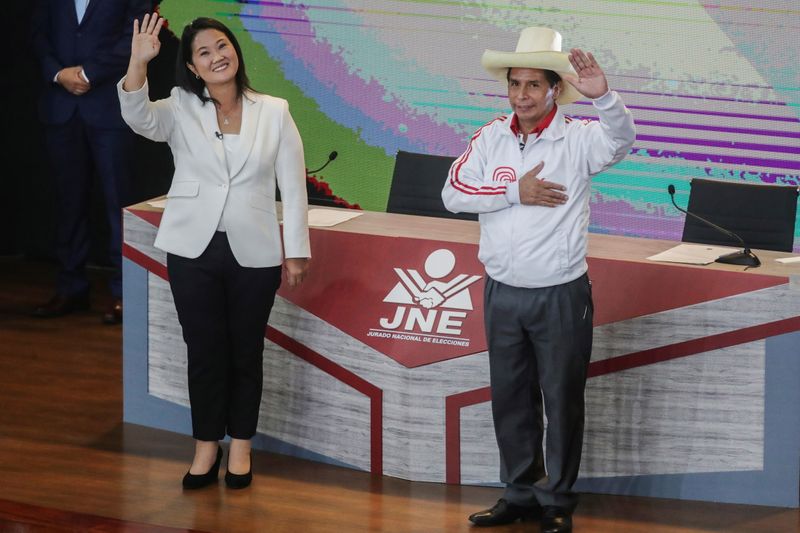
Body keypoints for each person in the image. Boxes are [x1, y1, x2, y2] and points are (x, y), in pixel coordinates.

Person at [441, 27, 635, 533]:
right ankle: (520, 493)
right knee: (511, 397)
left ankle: (557, 502)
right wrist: (514, 192)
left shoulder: (579, 138)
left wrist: (606, 98)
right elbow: (454, 192)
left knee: (562, 398)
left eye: (532, 86)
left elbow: (622, 142)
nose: (521, 96)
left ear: (554, 90)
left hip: (561, 293)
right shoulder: (490, 135)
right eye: (514, 85)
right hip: (502, 291)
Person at [117, 14, 311, 490]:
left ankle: (241, 445)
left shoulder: (274, 110)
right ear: (193, 67)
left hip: (256, 249)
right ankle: (206, 446)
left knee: (245, 351)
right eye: (204, 52)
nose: (216, 56)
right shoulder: (182, 105)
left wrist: (297, 250)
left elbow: (293, 185)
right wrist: (138, 64)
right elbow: (139, 119)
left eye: (222, 46)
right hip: (192, 247)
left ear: (236, 52)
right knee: (203, 350)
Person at [30, 0, 150, 324]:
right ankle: (71, 287)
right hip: (60, 106)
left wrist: (87, 72)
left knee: (119, 204)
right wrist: (57, 73)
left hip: (110, 105)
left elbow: (135, 34)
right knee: (68, 204)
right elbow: (37, 31)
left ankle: (127, 293)